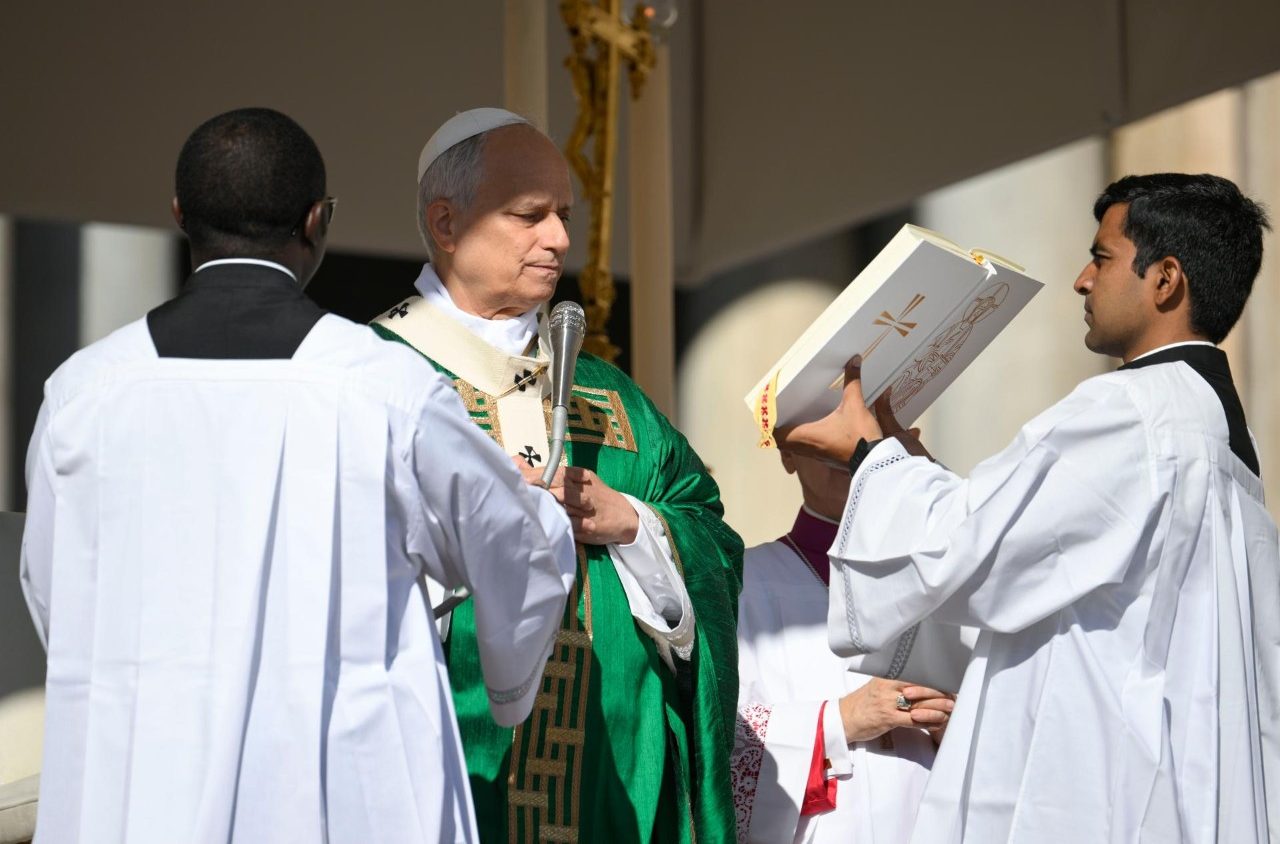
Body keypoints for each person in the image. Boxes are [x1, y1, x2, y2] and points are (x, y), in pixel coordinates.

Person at [19, 107, 576, 843]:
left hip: (141, 793)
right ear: (318, 221)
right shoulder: (386, 389)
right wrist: (509, 687)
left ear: (181, 215)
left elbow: (53, 590)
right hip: (338, 799)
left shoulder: (82, 394)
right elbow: (516, 552)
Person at [775, 172, 1280, 842]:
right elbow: (1030, 553)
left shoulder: (1130, 412)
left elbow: (964, 554)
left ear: (1165, 280)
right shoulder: (1220, 434)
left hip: (1097, 792)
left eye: (1102, 258)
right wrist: (905, 464)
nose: (1082, 280)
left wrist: (869, 454)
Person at [371, 108, 743, 843]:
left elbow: (711, 535)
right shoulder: (373, 377)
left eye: (564, 216)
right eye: (529, 215)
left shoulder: (609, 395)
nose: (561, 240)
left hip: (611, 789)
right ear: (446, 224)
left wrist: (633, 523)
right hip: (446, 773)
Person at [732, 450, 968, 844]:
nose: (847, 452)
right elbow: (710, 741)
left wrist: (954, 723)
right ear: (787, 453)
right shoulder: (738, 582)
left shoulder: (946, 574)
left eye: (863, 435)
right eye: (824, 439)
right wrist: (840, 720)